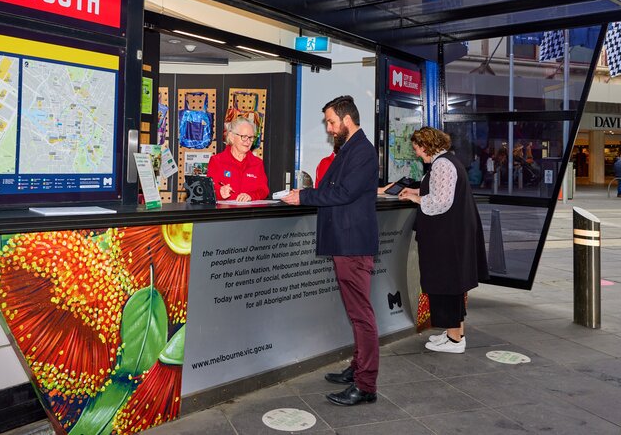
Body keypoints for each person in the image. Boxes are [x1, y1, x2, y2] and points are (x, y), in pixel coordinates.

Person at [281, 96, 378, 406]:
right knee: (356, 313)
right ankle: (357, 368)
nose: (329, 127)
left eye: (331, 122)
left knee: (361, 316)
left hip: (352, 245)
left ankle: (366, 385)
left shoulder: (362, 151)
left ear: (346, 119)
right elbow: (332, 188)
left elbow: (344, 192)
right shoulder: (350, 149)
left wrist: (304, 196)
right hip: (345, 243)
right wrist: (305, 193)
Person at [398, 127, 488, 354]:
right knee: (453, 285)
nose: (417, 153)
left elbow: (440, 202)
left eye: (417, 149)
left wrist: (415, 197)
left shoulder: (442, 164)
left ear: (427, 145)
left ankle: (455, 340)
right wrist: (417, 188)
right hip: (453, 236)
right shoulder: (448, 162)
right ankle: (453, 332)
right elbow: (442, 190)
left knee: (447, 284)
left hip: (447, 238)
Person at [206, 117, 268, 202]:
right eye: (244, 136)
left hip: (250, 214)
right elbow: (209, 191)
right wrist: (220, 192)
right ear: (231, 137)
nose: (248, 142)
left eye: (251, 137)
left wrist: (251, 196)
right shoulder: (217, 161)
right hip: (225, 214)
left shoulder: (257, 163)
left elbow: (264, 190)